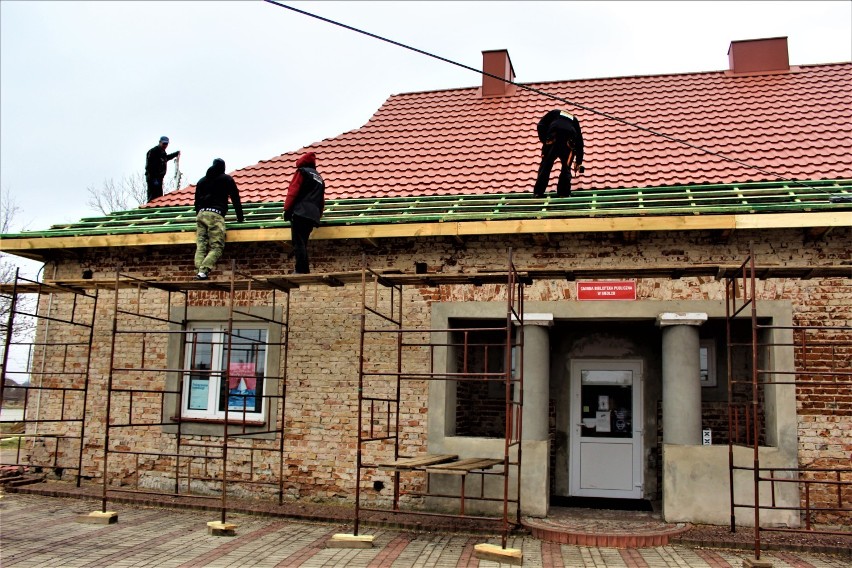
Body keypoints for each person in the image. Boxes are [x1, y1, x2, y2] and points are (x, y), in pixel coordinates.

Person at [193, 158, 244, 280]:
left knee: (201, 245)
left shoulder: (201, 181)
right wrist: (240, 218)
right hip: (215, 215)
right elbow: (235, 198)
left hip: (201, 214)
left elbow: (197, 202)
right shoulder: (226, 179)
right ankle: (203, 271)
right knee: (217, 246)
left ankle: (199, 271)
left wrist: (199, 214)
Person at [283, 152, 325, 275]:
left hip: (300, 212)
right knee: (303, 242)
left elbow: (293, 191)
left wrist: (287, 209)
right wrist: (318, 215)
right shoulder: (319, 178)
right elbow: (321, 201)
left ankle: (301, 270)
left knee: (298, 242)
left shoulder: (302, 172)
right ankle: (303, 269)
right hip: (312, 215)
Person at [533, 110, 584, 197]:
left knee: (546, 165)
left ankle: (538, 192)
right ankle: (563, 193)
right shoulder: (574, 119)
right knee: (566, 167)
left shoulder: (554, 113)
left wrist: (546, 140)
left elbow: (540, 126)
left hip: (554, 137)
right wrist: (578, 162)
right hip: (569, 140)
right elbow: (580, 143)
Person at [145, 136, 181, 202]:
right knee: (152, 198)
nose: (165, 145)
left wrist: (175, 154)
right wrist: (154, 177)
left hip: (159, 178)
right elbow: (149, 166)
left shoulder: (162, 152)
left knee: (158, 198)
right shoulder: (153, 151)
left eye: (166, 144)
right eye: (164, 143)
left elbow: (165, 158)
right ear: (160, 142)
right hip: (153, 178)